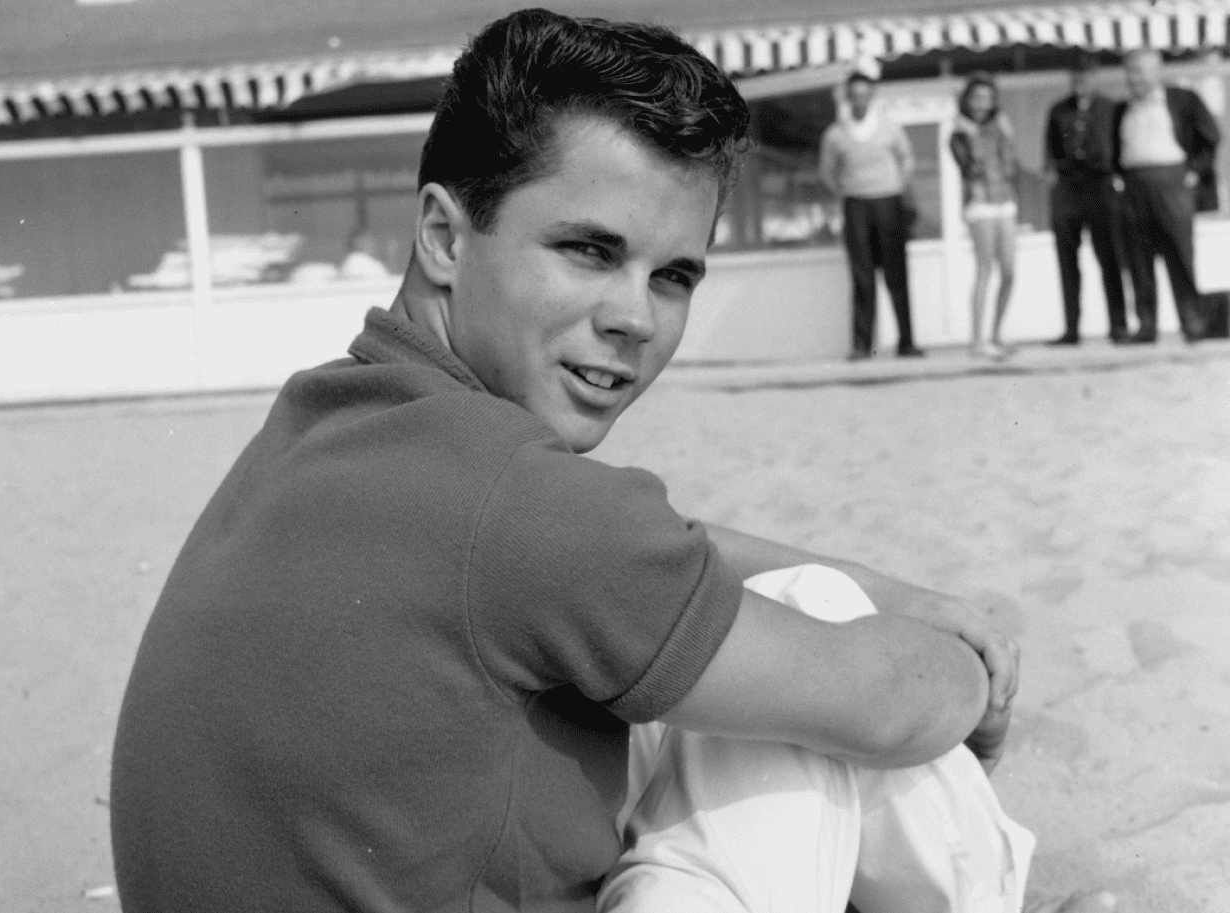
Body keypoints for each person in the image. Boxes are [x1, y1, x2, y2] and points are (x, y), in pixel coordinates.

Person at [110, 10, 1107, 913]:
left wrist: (904, 596)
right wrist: (977, 671)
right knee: (814, 654)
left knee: (765, 636)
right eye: (588, 250)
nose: (633, 316)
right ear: (444, 236)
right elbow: (886, 705)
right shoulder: (519, 501)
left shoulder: (332, 423)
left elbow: (655, 557)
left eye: (671, 276)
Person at [1112, 48, 1221, 344]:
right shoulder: (1122, 108)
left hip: (1172, 182)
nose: (1134, 78)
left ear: (1157, 71)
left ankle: (1192, 322)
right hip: (1134, 184)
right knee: (1139, 258)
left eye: (1140, 71)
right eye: (1130, 72)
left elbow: (1211, 136)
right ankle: (1146, 326)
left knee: (1180, 254)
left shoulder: (1182, 99)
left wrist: (1194, 171)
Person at [820, 72, 924, 360]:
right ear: (848, 98)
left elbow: (907, 159)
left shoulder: (889, 128)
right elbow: (827, 172)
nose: (860, 101)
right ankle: (861, 346)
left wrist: (896, 184)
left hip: (889, 203)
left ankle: (907, 343)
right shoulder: (835, 134)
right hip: (856, 206)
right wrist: (847, 190)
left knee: (896, 274)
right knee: (862, 276)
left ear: (872, 96)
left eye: (865, 95)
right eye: (855, 95)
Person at [1043, 58, 1129, 345]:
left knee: (1110, 257)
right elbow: (1050, 152)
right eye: (1077, 74)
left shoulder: (1112, 108)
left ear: (1096, 76)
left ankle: (1118, 326)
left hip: (1101, 187)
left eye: (1087, 74)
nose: (1082, 79)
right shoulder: (1058, 110)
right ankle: (1071, 329)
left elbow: (1119, 147)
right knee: (1067, 260)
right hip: (1069, 189)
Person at [950, 73, 1020, 360]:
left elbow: (1011, 164)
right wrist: (974, 134)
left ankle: (996, 334)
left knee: (1009, 271)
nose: (982, 103)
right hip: (979, 203)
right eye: (976, 97)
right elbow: (971, 168)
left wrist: (1006, 134)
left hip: (1004, 200)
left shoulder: (1000, 127)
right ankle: (977, 339)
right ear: (967, 100)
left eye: (987, 98)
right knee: (985, 269)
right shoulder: (958, 133)